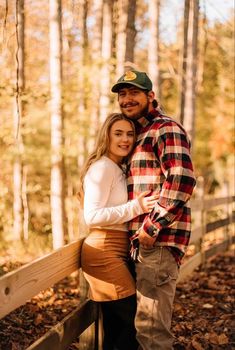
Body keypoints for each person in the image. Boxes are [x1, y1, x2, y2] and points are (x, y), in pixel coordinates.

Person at [111, 70, 197, 350]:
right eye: (122, 94)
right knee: (144, 328)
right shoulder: (140, 133)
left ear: (150, 96)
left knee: (151, 333)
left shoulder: (164, 128)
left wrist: (151, 227)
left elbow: (182, 178)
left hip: (158, 242)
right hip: (144, 245)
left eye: (134, 93)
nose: (127, 99)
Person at [78, 113, 157, 350]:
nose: (125, 139)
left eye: (130, 134)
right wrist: (136, 207)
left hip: (116, 250)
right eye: (118, 133)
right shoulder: (102, 167)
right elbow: (91, 216)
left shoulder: (117, 167)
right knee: (134, 323)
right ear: (107, 136)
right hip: (103, 252)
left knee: (116, 325)